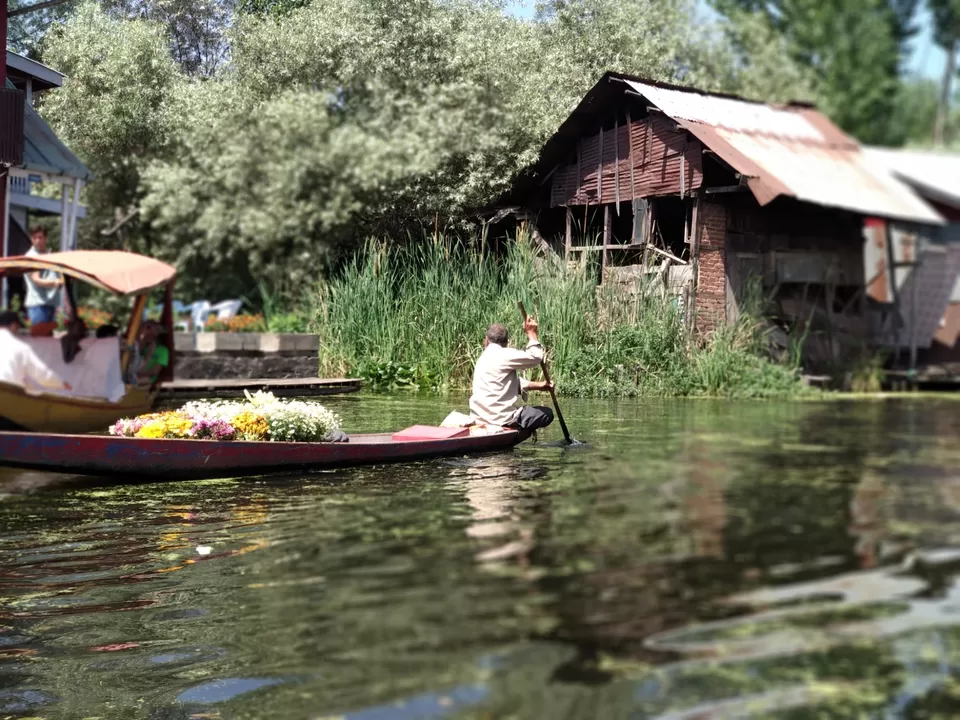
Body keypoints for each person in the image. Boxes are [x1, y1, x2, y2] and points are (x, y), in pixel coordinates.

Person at [469, 316, 555, 432]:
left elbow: (504, 384)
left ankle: (517, 424)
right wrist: (531, 333)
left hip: (479, 418)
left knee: (528, 412)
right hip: (501, 420)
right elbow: (536, 357)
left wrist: (539, 386)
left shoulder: (482, 358)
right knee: (547, 413)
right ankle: (515, 426)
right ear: (506, 342)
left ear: (486, 341)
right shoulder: (504, 354)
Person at [0, 310, 72, 392]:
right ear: (13, 326)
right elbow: (41, 373)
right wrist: (61, 383)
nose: (17, 331)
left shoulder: (21, 348)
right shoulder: (21, 348)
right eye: (18, 328)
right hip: (8, 394)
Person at [23, 227, 63, 327]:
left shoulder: (49, 256)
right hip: (38, 304)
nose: (37, 241)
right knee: (39, 338)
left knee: (48, 340)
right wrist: (56, 282)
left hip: (51, 303)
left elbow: (58, 275)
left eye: (40, 237)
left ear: (46, 238)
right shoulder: (31, 256)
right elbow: (36, 279)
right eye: (34, 238)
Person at [135, 321, 170, 386]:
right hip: (134, 375)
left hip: (145, 380)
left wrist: (137, 373)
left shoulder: (163, 350)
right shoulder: (143, 346)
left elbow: (154, 372)